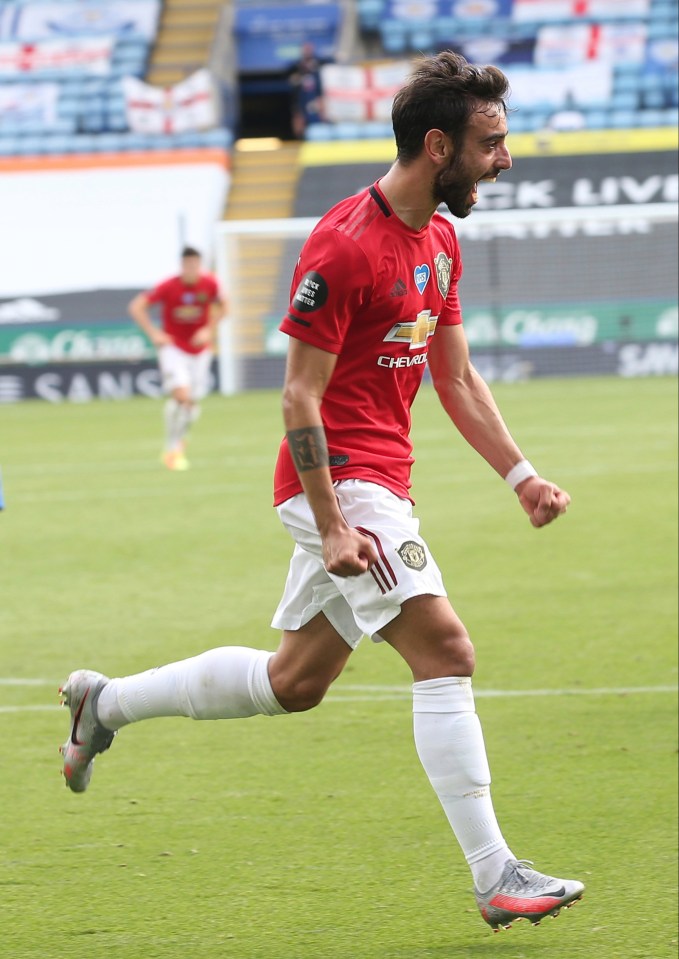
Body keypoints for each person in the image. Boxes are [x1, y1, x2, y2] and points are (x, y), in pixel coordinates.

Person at [60, 52, 584, 933]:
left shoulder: (441, 241)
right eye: (490, 143)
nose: (504, 158)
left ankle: (101, 703)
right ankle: (495, 874)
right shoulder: (343, 245)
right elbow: (297, 394)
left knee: (294, 680)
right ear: (435, 144)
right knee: (446, 650)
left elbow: (454, 380)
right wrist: (335, 523)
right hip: (338, 487)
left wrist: (521, 475)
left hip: (379, 487)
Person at [128, 246, 228, 471]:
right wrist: (154, 333)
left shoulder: (210, 284)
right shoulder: (168, 286)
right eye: (187, 265)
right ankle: (173, 449)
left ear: (199, 265)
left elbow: (225, 307)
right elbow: (137, 306)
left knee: (190, 406)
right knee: (183, 398)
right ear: (182, 266)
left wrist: (208, 331)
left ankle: (175, 445)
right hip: (174, 349)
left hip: (200, 352)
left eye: (195, 265)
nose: (191, 269)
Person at [288, 42, 325, 139]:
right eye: (305, 50)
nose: (307, 52)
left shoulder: (319, 66)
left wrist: (321, 101)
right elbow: (292, 83)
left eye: (309, 49)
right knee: (301, 125)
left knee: (317, 126)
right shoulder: (296, 67)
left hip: (315, 102)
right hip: (302, 103)